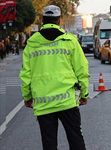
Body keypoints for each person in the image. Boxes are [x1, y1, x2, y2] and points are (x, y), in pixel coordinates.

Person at [19, 5, 89, 150]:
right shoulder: (70, 41)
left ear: (42, 20)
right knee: (76, 139)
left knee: (49, 144)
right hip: (68, 101)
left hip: (44, 104)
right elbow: (82, 69)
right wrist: (84, 93)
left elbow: (26, 74)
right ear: (59, 20)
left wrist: (27, 97)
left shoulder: (31, 44)